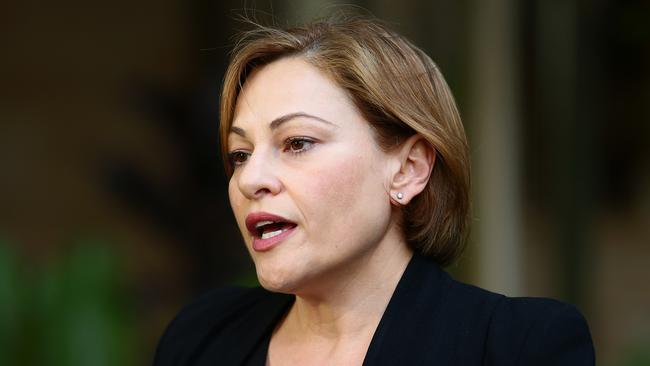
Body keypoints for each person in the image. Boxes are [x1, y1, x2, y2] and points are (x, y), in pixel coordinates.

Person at [153, 15, 595, 365]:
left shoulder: (517, 346)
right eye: (240, 154)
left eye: (297, 143)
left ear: (407, 170)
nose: (250, 180)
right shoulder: (201, 336)